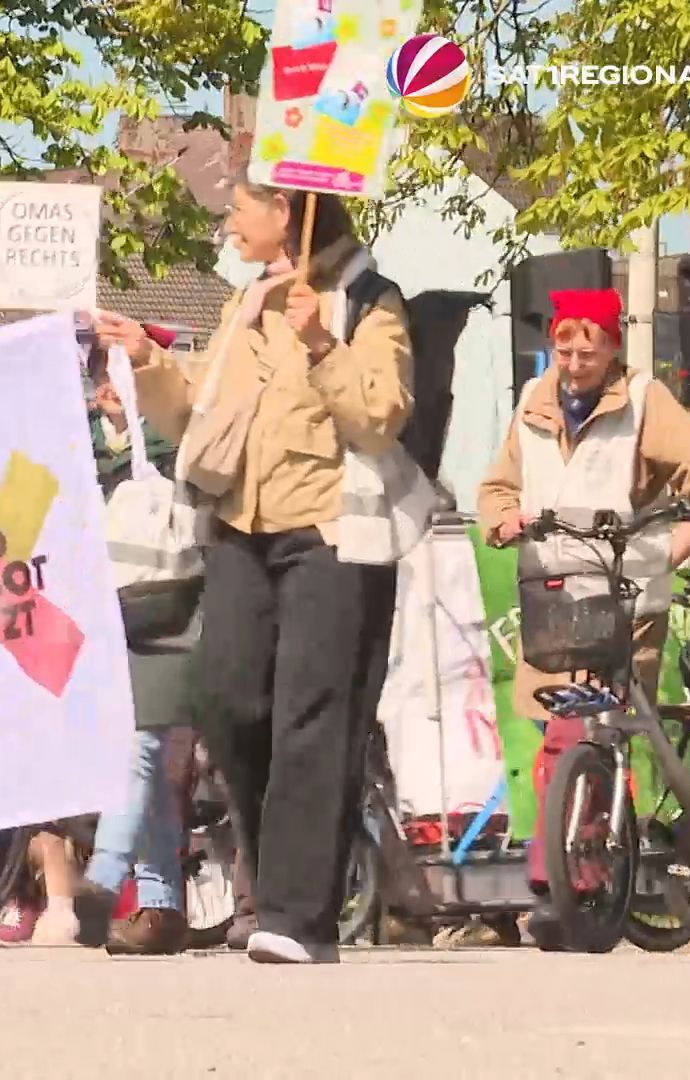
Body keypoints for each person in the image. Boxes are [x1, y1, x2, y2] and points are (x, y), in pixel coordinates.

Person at [94, 183, 426, 964]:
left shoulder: (370, 299)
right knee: (228, 703)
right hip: (240, 527)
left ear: (289, 212)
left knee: (313, 717)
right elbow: (197, 416)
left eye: (242, 205)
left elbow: (382, 413)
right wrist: (148, 361)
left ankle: (296, 916)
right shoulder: (243, 304)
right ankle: (282, 874)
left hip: (332, 533)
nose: (229, 221)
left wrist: (321, 344)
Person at [476, 288, 690, 944]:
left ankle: (575, 879)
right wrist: (500, 518)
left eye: (587, 348)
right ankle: (572, 875)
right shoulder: (534, 403)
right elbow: (497, 486)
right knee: (558, 738)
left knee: (595, 729)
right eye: (564, 347)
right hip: (554, 590)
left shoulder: (644, 399)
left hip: (628, 591)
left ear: (613, 346)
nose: (573, 360)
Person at [70, 319, 193, 956]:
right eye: (97, 376)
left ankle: (103, 878)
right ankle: (163, 903)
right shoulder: (85, 447)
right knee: (138, 757)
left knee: (142, 747)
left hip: (174, 610)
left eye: (111, 375)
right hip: (114, 612)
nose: (102, 389)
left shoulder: (170, 439)